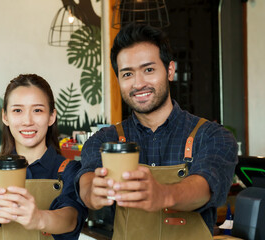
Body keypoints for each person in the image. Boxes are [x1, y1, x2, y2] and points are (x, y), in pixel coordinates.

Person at [76, 23, 238, 239]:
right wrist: (91, 194)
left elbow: (206, 186)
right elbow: (86, 179)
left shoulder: (212, 136)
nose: (138, 83)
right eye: (127, 74)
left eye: (149, 70)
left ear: (170, 70)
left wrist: (164, 194)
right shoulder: (106, 139)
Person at [0, 74, 87, 240]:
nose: (27, 121)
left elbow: (71, 218)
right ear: (5, 116)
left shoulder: (70, 170)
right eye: (17, 110)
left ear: (51, 117)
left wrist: (39, 218)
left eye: (37, 110)